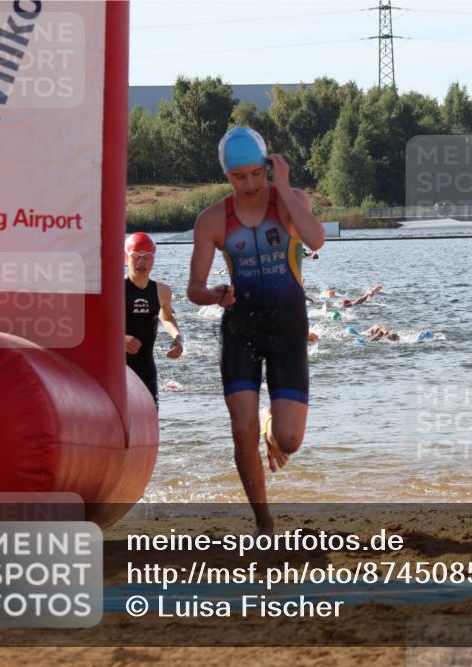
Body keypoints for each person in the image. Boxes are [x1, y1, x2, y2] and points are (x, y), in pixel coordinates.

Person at [186, 126, 325, 535]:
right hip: (240, 328)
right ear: (226, 176)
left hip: (287, 329)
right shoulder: (212, 220)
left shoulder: (289, 202)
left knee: (290, 438)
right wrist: (213, 295)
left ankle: (271, 423)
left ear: (268, 167)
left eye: (255, 174)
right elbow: (193, 288)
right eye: (237, 176)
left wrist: (283, 187)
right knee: (239, 426)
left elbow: (315, 239)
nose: (248, 184)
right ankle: (264, 522)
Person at [124, 232, 184, 407]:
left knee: (150, 421)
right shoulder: (116, 288)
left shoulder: (162, 291)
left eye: (147, 257)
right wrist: (118, 338)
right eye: (136, 256)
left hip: (146, 368)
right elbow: (98, 324)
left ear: (153, 260)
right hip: (117, 368)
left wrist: (177, 338)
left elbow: (167, 317)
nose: (141, 262)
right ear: (127, 257)